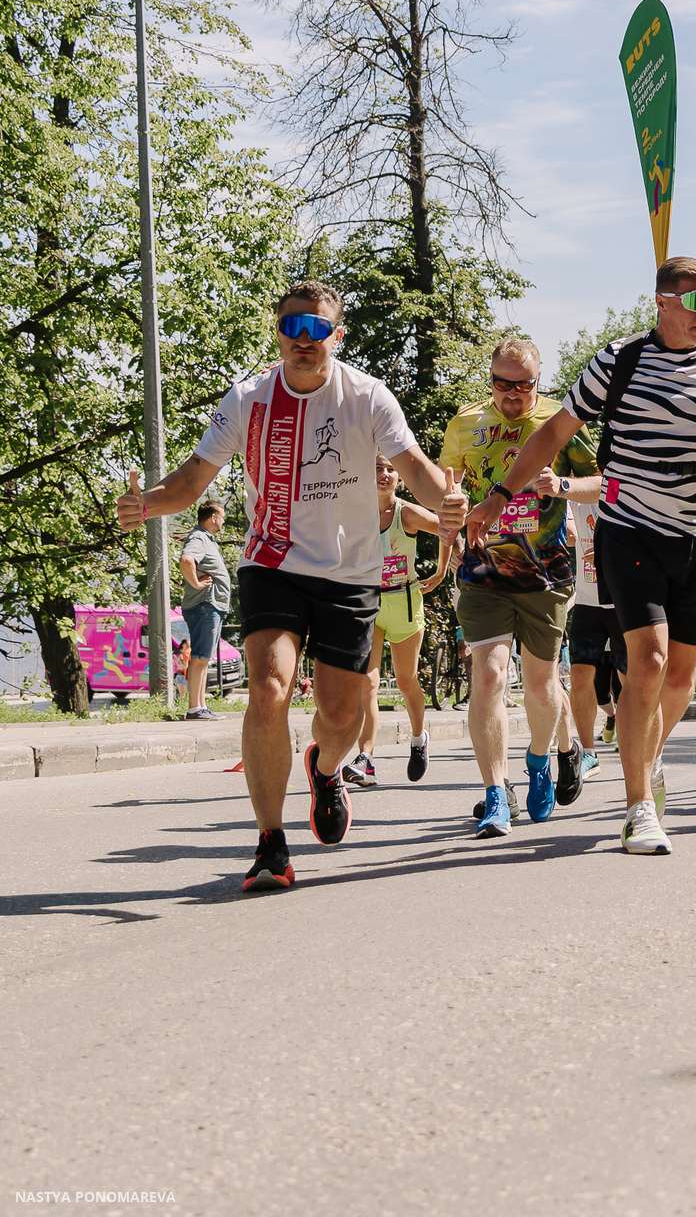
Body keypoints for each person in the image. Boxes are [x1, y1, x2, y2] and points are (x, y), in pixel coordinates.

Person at [116, 281, 466, 893]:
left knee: (340, 714)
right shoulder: (248, 398)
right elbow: (194, 478)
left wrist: (452, 503)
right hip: (272, 561)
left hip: (351, 572)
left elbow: (415, 468)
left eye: (317, 329)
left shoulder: (367, 396)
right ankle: (270, 842)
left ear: (336, 335)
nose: (304, 340)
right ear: (278, 332)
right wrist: (146, 503)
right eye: (292, 327)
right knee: (268, 687)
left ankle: (325, 770)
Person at [465, 256, 696, 856]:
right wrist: (500, 495)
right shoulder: (619, 360)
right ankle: (637, 809)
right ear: (663, 302)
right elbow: (553, 433)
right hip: (630, 530)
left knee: (679, 680)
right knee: (647, 662)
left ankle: (646, 755)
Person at [441, 340, 601, 839]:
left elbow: (605, 481)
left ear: (539, 381)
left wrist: (563, 488)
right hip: (482, 570)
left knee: (540, 684)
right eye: (501, 383)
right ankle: (496, 792)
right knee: (489, 676)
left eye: (523, 384)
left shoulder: (560, 422)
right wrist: (452, 514)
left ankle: (538, 759)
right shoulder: (465, 423)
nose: (511, 393)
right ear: (490, 378)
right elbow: (447, 491)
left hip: (544, 575)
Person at [343, 453, 443, 789]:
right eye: (377, 468)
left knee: (405, 680)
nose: (384, 474)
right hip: (369, 602)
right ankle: (365, 758)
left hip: (404, 603)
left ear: (400, 478)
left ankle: (418, 738)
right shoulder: (356, 513)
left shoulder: (407, 513)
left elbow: (449, 528)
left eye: (391, 469)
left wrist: (441, 571)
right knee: (367, 682)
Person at [565, 492, 627, 783]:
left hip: (623, 603)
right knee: (580, 675)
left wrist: (609, 551)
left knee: (630, 681)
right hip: (588, 603)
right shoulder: (573, 496)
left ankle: (638, 747)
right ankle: (588, 753)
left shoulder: (620, 488)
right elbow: (570, 534)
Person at [177, 499, 232, 720]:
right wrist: (196, 584)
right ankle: (194, 709)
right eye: (222, 517)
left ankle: (201, 706)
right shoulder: (199, 537)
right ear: (213, 517)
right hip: (205, 605)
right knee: (200, 658)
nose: (224, 521)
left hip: (211, 605)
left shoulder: (206, 539)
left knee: (203, 658)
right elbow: (186, 560)